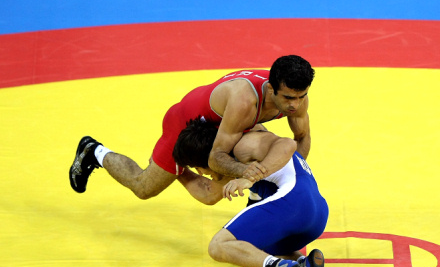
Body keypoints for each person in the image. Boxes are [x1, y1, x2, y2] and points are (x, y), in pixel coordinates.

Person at [68, 55, 314, 200]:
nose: (294, 105)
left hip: (227, 123)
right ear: (271, 89)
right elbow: (217, 158)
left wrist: (295, 178)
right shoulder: (244, 101)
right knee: (146, 187)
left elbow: (301, 138)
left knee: (266, 152)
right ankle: (94, 151)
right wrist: (248, 174)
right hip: (186, 123)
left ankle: (257, 196)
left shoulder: (295, 97)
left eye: (300, 97)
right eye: (288, 98)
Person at [173, 117, 329, 267]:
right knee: (251, 247)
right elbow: (210, 194)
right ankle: (304, 264)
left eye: (197, 167)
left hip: (294, 201)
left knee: (218, 245)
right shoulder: (235, 157)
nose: (200, 173)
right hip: (316, 216)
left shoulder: (244, 145)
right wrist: (175, 170)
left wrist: (250, 179)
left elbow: (286, 144)